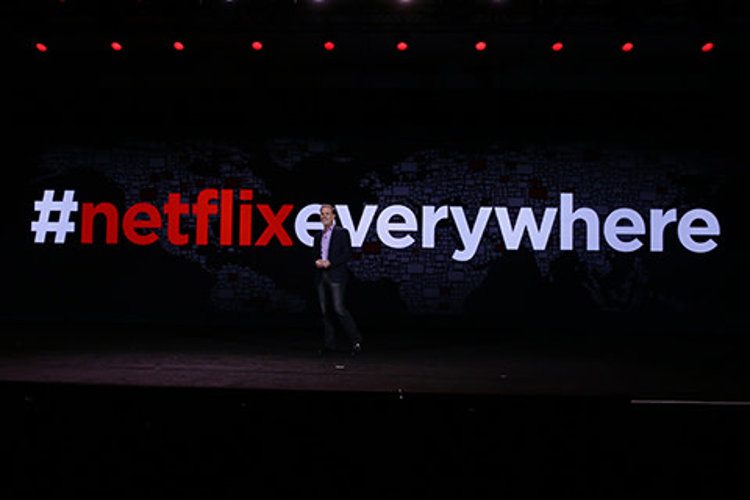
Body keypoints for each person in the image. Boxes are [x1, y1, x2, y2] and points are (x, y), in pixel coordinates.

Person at [313, 203, 363, 355]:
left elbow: (347, 253)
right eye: (322, 213)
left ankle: (356, 340)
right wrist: (316, 261)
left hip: (336, 275)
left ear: (333, 216)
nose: (324, 216)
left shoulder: (342, 233)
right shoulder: (318, 236)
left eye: (327, 213)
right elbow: (314, 254)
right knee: (324, 311)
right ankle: (329, 344)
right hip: (321, 275)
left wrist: (331, 262)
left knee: (339, 309)